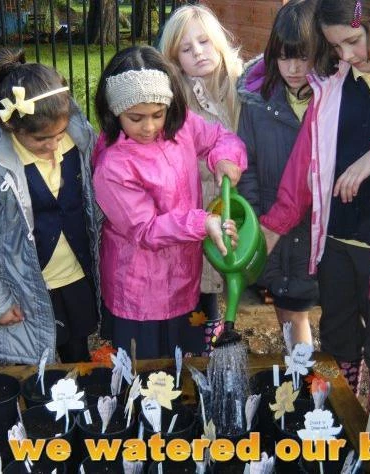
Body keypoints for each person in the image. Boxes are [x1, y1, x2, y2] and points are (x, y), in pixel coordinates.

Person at [260, 0, 370, 404]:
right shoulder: (333, 82)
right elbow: (305, 163)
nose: (346, 55)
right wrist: (275, 224)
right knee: (337, 342)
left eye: (353, 42)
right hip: (335, 244)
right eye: (336, 46)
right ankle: (341, 417)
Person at [0, 49, 101, 364]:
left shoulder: (79, 137)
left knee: (77, 358)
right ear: (11, 126)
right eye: (41, 140)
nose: (53, 146)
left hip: (75, 277)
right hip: (23, 290)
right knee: (32, 371)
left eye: (59, 135)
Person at [92, 45, 247, 359]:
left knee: (182, 364)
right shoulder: (113, 165)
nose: (149, 127)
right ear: (114, 112)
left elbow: (220, 137)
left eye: (157, 114)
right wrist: (202, 223)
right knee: (145, 370)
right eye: (135, 118)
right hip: (139, 291)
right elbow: (146, 230)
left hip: (184, 276)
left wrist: (225, 158)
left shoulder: (182, 126)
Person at [158, 4, 244, 354]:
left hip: (234, 204)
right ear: (174, 58)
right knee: (201, 285)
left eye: (204, 42)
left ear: (218, 41)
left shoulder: (239, 83)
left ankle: (211, 335)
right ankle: (200, 346)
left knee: (226, 276)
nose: (198, 52)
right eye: (186, 48)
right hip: (195, 207)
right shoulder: (174, 97)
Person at [236, 0, 318, 348]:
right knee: (289, 311)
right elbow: (248, 167)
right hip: (274, 227)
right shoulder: (257, 104)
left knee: (338, 316)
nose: (294, 68)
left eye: (303, 57)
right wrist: (256, 221)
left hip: (316, 229)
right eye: (285, 58)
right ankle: (298, 372)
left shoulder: (330, 100)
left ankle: (330, 375)